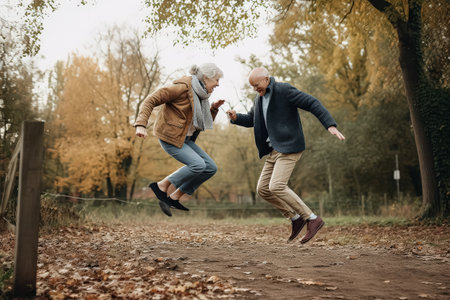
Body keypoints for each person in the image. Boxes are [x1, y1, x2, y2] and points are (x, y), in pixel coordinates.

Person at [227, 67, 345, 244]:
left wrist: (329, 124)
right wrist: (236, 118)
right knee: (263, 189)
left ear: (267, 79)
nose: (255, 89)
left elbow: (312, 103)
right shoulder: (258, 99)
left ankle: (312, 218)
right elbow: (253, 119)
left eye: (257, 85)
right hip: (274, 150)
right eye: (252, 87)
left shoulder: (283, 90)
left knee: (276, 186)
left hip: (289, 146)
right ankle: (295, 217)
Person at [134, 63, 225, 217]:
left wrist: (213, 109)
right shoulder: (182, 88)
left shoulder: (202, 95)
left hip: (186, 139)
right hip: (170, 137)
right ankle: (161, 185)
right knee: (198, 165)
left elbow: (200, 122)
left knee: (210, 167)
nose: (218, 83)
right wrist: (141, 125)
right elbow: (151, 99)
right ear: (206, 77)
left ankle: (174, 197)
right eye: (216, 80)